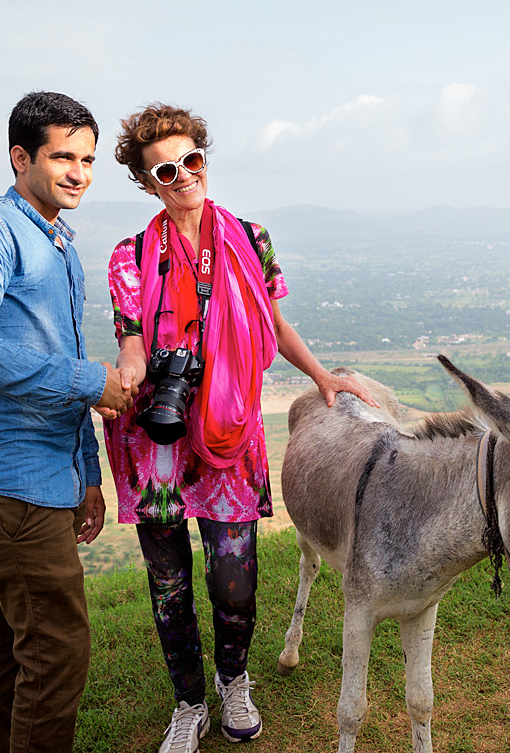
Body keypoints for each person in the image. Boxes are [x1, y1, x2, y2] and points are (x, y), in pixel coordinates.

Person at [104, 103, 376, 753]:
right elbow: (132, 341)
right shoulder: (131, 255)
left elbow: (275, 326)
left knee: (235, 580)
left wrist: (322, 377)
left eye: (191, 160)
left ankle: (234, 680)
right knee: (169, 585)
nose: (183, 176)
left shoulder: (251, 239)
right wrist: (131, 369)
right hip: (160, 442)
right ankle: (188, 702)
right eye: (165, 170)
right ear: (147, 182)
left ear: (204, 158)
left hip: (228, 434)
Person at [0, 91, 135, 753]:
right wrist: (91, 381)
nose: (79, 172)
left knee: (8, 657)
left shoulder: (56, 242)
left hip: (42, 484)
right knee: (55, 658)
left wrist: (85, 475)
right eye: (62, 157)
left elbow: (60, 358)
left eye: (87, 159)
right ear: (21, 157)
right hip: (11, 488)